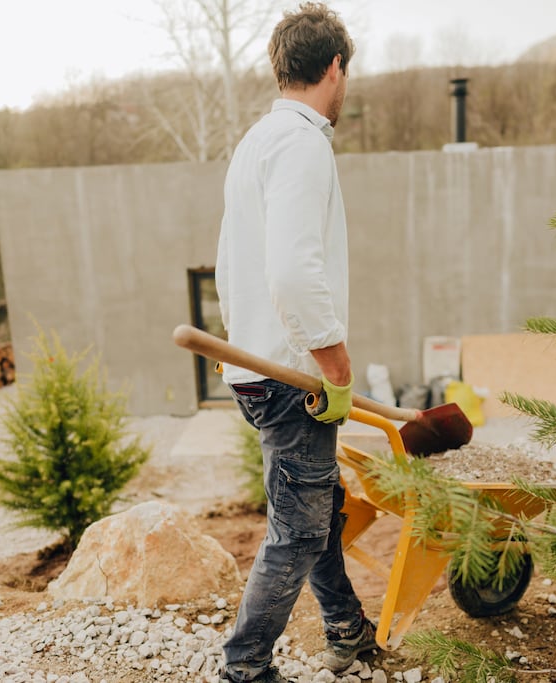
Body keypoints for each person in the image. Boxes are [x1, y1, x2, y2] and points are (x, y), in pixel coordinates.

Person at [214, 3, 375, 682]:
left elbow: (230, 266)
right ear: (335, 67)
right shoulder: (304, 143)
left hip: (260, 366)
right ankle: (245, 664)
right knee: (301, 528)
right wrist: (333, 362)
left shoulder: (257, 141)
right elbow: (292, 270)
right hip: (293, 377)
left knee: (316, 505)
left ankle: (348, 627)